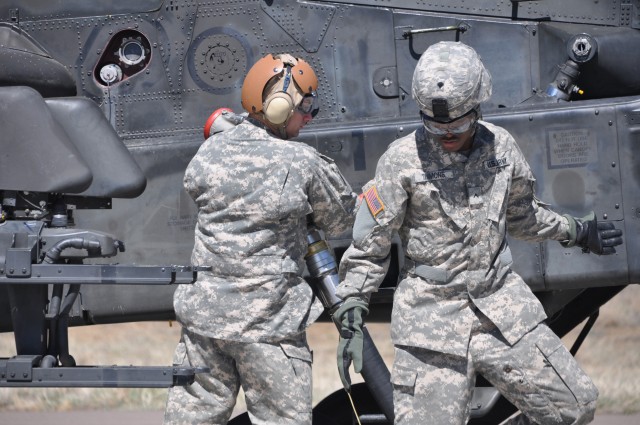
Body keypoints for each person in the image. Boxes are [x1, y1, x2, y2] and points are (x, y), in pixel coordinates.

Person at [333, 41, 623, 425]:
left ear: (478, 106)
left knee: (573, 406)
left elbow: (523, 216)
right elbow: (370, 246)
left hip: (501, 310)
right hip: (431, 322)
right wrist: (352, 308)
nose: (447, 133)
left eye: (458, 123)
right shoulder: (400, 161)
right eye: (435, 124)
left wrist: (575, 229)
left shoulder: (500, 147)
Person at [164, 53, 356, 425]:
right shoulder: (300, 162)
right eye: (306, 107)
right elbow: (340, 218)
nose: (309, 117)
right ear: (281, 107)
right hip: (270, 328)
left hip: (205, 326)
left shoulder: (209, 151)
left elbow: (195, 186)